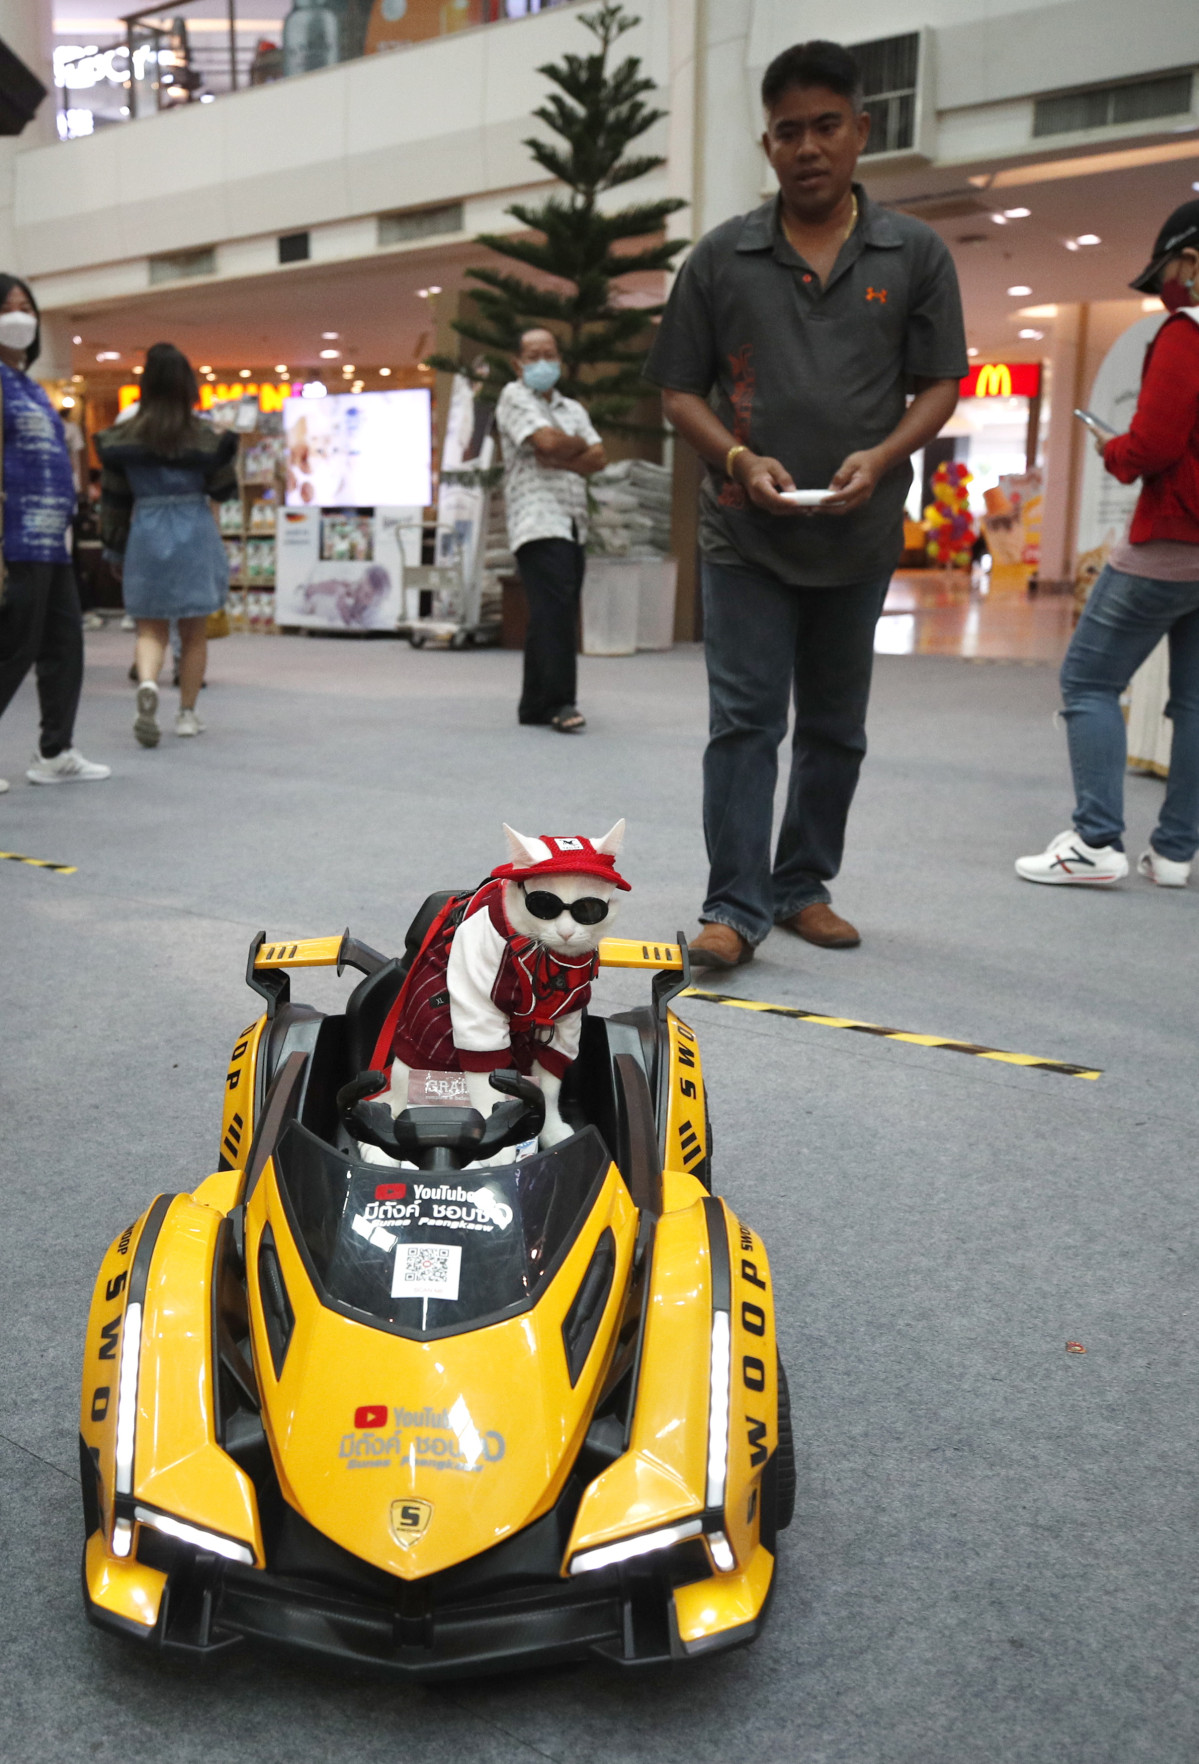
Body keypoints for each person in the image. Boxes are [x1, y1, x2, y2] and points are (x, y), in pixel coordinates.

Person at [643, 40, 966, 968]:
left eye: (827, 125)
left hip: (858, 534)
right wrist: (739, 459)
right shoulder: (720, 257)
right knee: (745, 722)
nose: (808, 146)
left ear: (861, 131)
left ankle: (801, 886)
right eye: (789, 131)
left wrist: (883, 453)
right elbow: (677, 394)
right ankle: (734, 906)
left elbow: (940, 385)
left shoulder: (914, 253)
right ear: (767, 143)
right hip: (743, 532)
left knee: (834, 726)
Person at [1017, 201, 1199, 890]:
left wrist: (1111, 447)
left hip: (1169, 540)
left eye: (1165, 274)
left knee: (1087, 680)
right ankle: (1176, 852)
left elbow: (1151, 445)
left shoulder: (1183, 334)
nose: (1162, 292)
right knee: (1193, 702)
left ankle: (1094, 841)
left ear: (1188, 260)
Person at [0, 273, 110, 791]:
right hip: (14, 536)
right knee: (13, 645)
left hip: (52, 541)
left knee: (65, 643)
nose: (20, 316)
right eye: (8, 307)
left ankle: (55, 750)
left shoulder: (30, 387)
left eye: (27, 307)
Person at [96, 344, 237, 746]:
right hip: (194, 528)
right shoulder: (207, 437)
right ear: (188, 385)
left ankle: (148, 684)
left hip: (146, 530)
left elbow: (114, 501)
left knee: (149, 626)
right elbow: (225, 490)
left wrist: (115, 550)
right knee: (193, 631)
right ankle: (188, 714)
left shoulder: (120, 439)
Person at [494, 328, 607, 733]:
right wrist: (567, 448)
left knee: (551, 612)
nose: (543, 362)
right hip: (537, 520)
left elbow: (599, 457)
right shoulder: (513, 396)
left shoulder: (572, 407)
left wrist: (564, 453)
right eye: (533, 355)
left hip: (573, 521)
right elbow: (543, 442)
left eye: (549, 354)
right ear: (518, 363)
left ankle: (534, 703)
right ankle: (560, 702)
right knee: (554, 611)